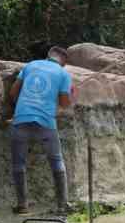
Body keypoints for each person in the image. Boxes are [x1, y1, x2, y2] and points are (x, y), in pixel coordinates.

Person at [8, 42, 75, 214]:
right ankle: (62, 205)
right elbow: (64, 103)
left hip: (21, 118)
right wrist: (71, 93)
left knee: (18, 164)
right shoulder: (63, 74)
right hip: (46, 122)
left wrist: (22, 108)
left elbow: (13, 92)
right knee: (56, 161)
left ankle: (22, 205)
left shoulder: (31, 65)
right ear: (63, 62)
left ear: (48, 55)